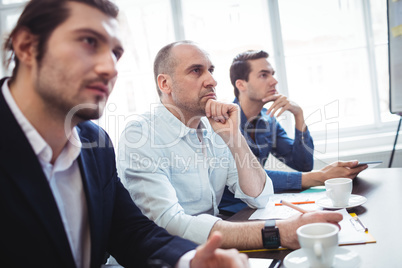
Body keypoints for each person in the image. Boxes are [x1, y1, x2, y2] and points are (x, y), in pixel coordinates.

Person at [0, 1, 252, 267]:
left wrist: (190, 260)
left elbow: (129, 232)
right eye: (88, 41)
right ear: (27, 46)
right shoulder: (139, 134)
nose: (110, 68)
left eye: (115, 53)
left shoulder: (94, 143)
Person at [118, 40, 343, 251]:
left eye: (211, 70)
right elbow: (169, 225)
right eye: (196, 70)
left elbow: (260, 197)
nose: (212, 81)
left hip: (211, 248)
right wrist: (276, 232)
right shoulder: (141, 134)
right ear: (165, 83)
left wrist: (234, 139)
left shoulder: (215, 128)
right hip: (170, 255)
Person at [219, 50, 368, 213]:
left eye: (272, 74)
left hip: (259, 207)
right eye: (263, 75)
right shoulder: (224, 123)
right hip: (231, 212)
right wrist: (318, 177)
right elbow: (246, 174)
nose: (274, 81)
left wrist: (299, 115)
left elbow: (302, 163)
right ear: (241, 84)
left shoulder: (268, 120)